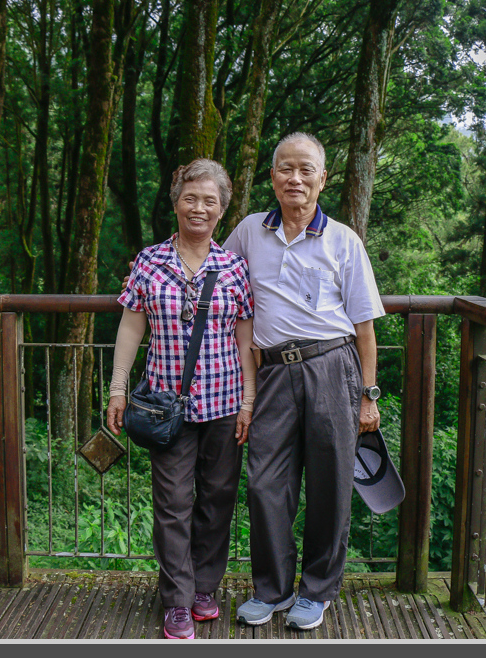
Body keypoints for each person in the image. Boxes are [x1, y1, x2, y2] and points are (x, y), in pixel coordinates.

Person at [223, 132, 385, 631]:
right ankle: (270, 589)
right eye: (285, 169)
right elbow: (211, 269)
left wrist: (367, 395)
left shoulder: (343, 240)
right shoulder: (250, 231)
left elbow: (364, 327)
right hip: (271, 371)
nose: (295, 178)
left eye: (305, 170)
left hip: (333, 368)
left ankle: (316, 591)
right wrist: (146, 276)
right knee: (265, 483)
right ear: (272, 177)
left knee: (331, 483)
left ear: (322, 179)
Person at [106, 158, 257, 640]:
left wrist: (248, 400)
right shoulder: (150, 261)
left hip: (224, 403)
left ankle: (205, 589)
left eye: (209, 201)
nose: (199, 208)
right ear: (175, 202)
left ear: (221, 211)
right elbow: (132, 325)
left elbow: (245, 338)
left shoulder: (233, 267)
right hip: (164, 407)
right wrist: (118, 386)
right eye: (190, 198)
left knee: (217, 498)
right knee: (172, 503)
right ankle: (176, 600)